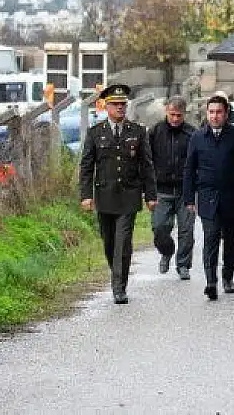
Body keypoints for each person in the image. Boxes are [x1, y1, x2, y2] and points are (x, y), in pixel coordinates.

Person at [78, 84, 156, 305]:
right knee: (109, 242)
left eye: (123, 104)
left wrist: (151, 195)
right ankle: (117, 273)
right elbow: (86, 166)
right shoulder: (95, 133)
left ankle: (119, 287)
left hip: (129, 196)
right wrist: (86, 195)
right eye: (116, 104)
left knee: (123, 242)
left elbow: (147, 166)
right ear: (106, 107)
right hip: (105, 196)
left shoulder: (138, 132)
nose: (121, 108)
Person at [183, 95, 234, 300]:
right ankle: (211, 281)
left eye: (219, 112)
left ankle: (228, 277)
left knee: (230, 240)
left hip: (232, 196)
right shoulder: (198, 137)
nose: (215, 116)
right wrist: (189, 198)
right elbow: (189, 169)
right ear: (207, 114)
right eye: (211, 112)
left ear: (226, 114)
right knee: (211, 237)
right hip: (207, 196)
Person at [147, 96, 197, 280]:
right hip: (161, 189)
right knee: (160, 227)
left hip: (185, 191)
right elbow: (146, 161)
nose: (175, 119)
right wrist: (148, 189)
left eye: (179, 115)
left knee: (186, 230)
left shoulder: (192, 134)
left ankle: (183, 265)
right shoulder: (155, 132)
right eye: (172, 114)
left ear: (184, 114)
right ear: (166, 111)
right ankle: (167, 251)